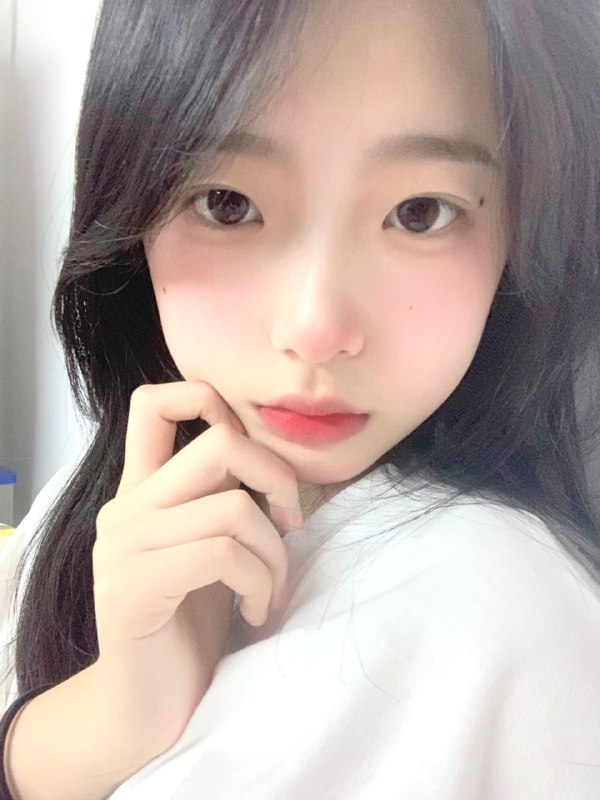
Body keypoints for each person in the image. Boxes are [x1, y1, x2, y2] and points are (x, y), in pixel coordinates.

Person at [2, 0, 600, 796]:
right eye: (227, 203)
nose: (316, 329)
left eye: (420, 213)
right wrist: (120, 709)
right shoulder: (101, 502)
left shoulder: (492, 607)